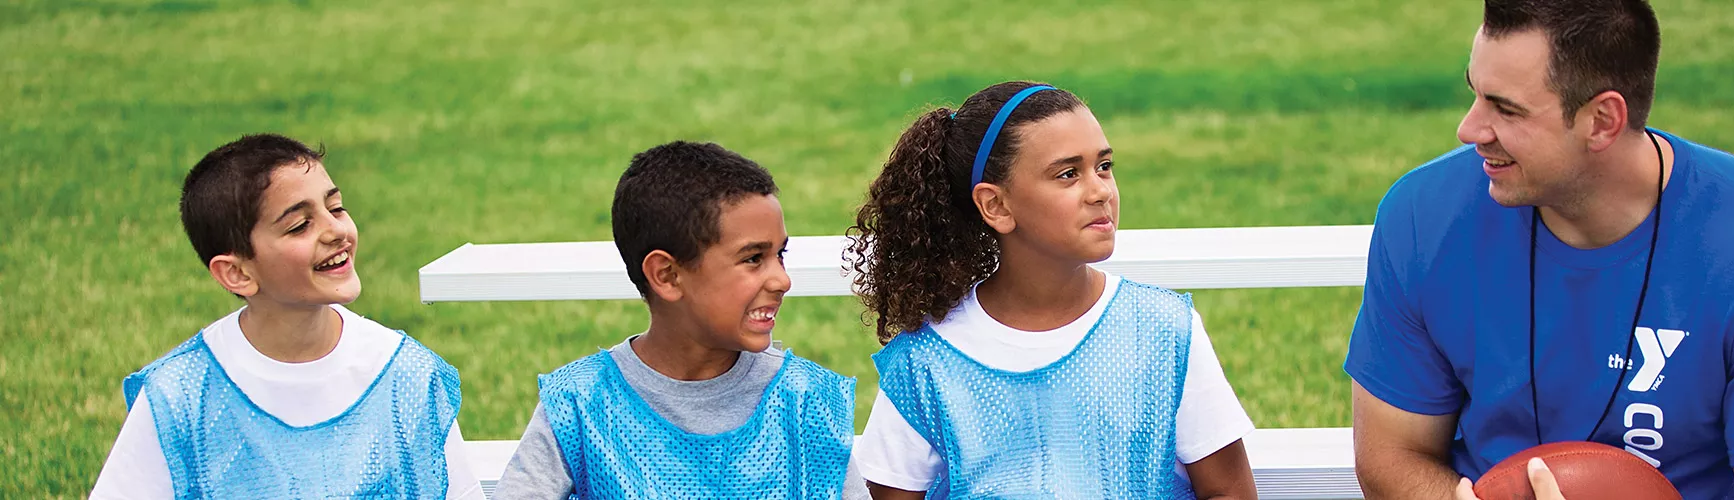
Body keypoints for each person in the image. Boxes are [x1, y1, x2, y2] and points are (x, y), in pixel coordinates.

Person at [1343, 1, 1734, 498]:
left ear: (1602, 120)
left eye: (1506, 109)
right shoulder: (1423, 217)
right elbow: (1392, 454)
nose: (1469, 129)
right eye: (1475, 93)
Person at [846, 81, 1258, 499]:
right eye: (1067, 174)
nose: (1100, 192)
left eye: (1104, 166)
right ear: (996, 206)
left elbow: (1229, 491)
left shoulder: (1164, 331)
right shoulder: (926, 360)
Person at [92, 134, 480, 498]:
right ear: (238, 273)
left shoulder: (406, 377)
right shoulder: (181, 396)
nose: (335, 231)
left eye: (336, 208)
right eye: (299, 225)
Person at [491, 141, 864, 499]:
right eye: (753, 258)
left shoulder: (807, 401)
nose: (782, 280)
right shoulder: (579, 404)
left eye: (780, 255)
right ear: (667, 275)